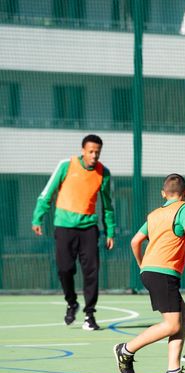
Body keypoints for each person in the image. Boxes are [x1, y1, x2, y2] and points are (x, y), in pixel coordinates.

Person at [113, 174, 185, 373]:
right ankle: (126, 349)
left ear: (163, 193)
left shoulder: (154, 214)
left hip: (152, 271)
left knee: (183, 319)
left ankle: (173, 372)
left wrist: (143, 265)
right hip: (163, 272)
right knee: (172, 324)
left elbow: (135, 242)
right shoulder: (184, 208)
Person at [31, 134, 115, 331]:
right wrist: (37, 218)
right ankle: (71, 302)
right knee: (65, 269)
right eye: (91, 151)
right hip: (64, 226)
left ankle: (89, 315)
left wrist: (110, 231)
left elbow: (107, 206)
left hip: (89, 228)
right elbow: (46, 193)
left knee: (91, 271)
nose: (94, 155)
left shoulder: (103, 173)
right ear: (83, 150)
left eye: (97, 152)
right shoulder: (66, 166)